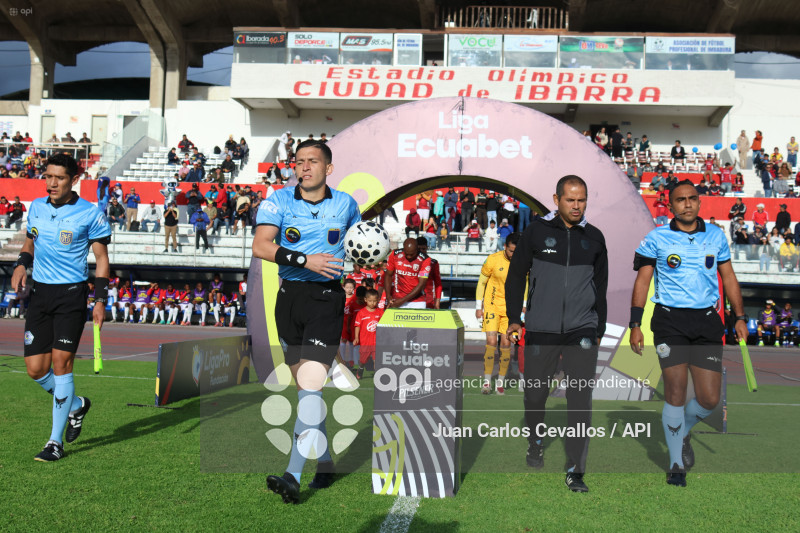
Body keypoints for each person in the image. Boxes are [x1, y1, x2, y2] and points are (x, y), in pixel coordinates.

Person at [253, 139, 360, 504]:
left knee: (312, 388)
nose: (305, 167)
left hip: (327, 299)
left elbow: (358, 246)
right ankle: (326, 463)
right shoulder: (278, 200)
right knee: (305, 392)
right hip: (289, 299)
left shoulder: (346, 203)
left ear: (328, 168)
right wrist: (304, 260)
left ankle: (292, 474)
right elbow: (261, 246)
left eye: (313, 161)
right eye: (299, 161)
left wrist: (359, 270)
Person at [629, 179, 748, 487]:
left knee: (709, 400)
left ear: (699, 202)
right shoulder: (657, 238)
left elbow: (729, 277)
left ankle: (682, 431)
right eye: (680, 200)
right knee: (676, 392)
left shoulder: (717, 236)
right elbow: (643, 281)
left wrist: (739, 316)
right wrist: (635, 324)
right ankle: (675, 464)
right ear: (670, 205)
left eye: (692, 198)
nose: (687, 204)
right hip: (670, 322)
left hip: (708, 322)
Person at [505, 175, 607, 493]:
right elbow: (515, 276)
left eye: (582, 200)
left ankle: (575, 469)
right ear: (557, 199)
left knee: (580, 399)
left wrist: (598, 328)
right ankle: (535, 442)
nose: (577, 206)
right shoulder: (536, 232)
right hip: (540, 328)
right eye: (570, 200)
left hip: (582, 330)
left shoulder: (595, 238)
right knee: (536, 394)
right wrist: (513, 319)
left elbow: (600, 288)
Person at [10, 153, 111, 461]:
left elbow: (102, 259)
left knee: (61, 364)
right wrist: (21, 264)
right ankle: (76, 404)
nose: (52, 183)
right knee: (35, 370)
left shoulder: (90, 213)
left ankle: (54, 443)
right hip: (39, 294)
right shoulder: (36, 207)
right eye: (48, 176)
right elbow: (31, 241)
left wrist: (100, 299)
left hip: (71, 296)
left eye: (60, 178)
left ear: (74, 180)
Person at [477, 232, 520, 395]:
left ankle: (500, 383)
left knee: (506, 344)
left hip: (511, 309)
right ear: (505, 247)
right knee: (491, 341)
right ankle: (487, 382)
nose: (513, 254)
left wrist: (523, 305)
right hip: (492, 306)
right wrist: (478, 306)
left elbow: (527, 283)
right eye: (511, 251)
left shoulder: (522, 261)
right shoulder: (493, 260)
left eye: (516, 251)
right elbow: (481, 282)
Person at [384, 238, 432, 309]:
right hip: (397, 299)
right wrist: (388, 296)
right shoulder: (394, 255)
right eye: (406, 254)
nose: (409, 257)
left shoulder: (425, 260)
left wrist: (402, 301)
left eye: (412, 254)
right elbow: (388, 275)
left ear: (417, 250)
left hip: (417, 302)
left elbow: (421, 284)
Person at [352, 288, 384, 380]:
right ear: (365, 300)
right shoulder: (361, 313)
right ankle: (360, 369)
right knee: (363, 360)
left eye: (375, 301)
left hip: (376, 341)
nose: (372, 303)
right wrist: (356, 337)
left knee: (376, 360)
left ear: (378, 300)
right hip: (365, 341)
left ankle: (377, 376)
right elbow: (357, 326)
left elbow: (383, 325)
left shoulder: (380, 312)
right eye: (370, 301)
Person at [416, 237, 442, 310]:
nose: (421, 251)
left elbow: (438, 284)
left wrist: (437, 303)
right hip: (412, 301)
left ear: (427, 248)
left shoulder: (433, 263)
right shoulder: (409, 263)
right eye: (418, 249)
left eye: (423, 249)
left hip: (428, 302)